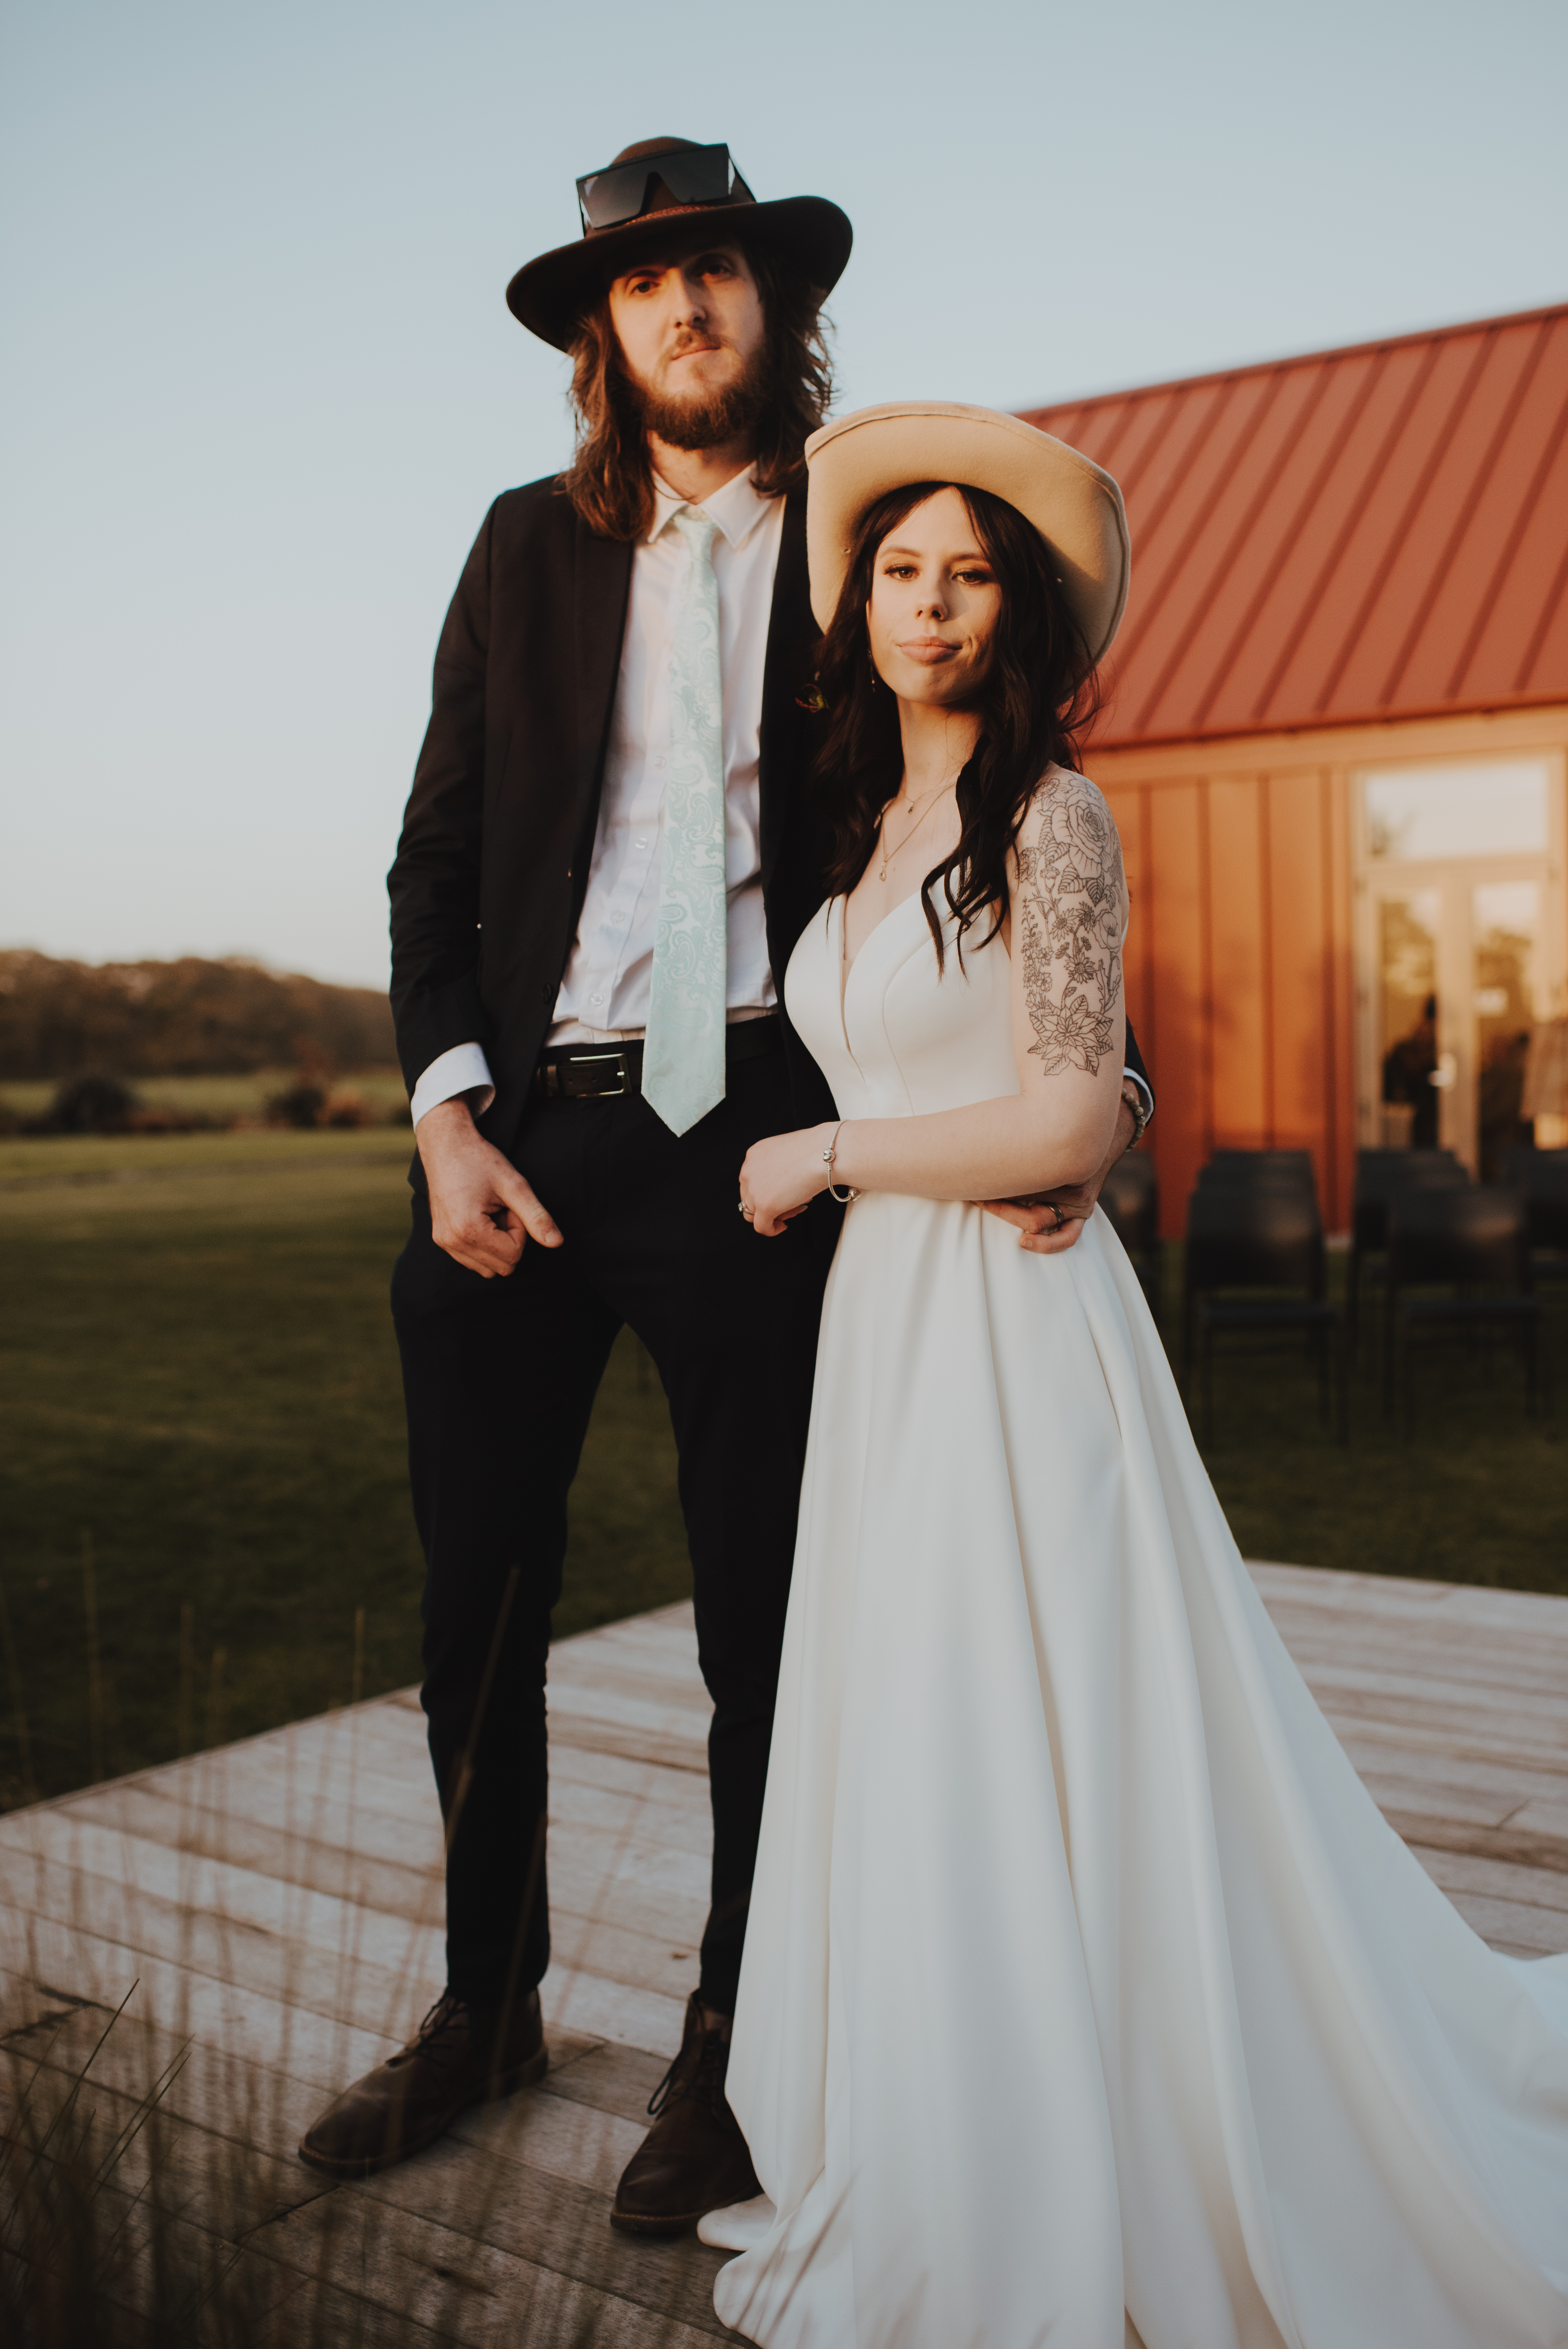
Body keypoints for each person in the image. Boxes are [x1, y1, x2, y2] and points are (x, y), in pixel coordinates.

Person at [296, 147, 1155, 2225]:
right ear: (602, 333)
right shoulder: (517, 552)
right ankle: (482, 2003)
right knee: (472, 1607)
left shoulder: (861, 544)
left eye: (713, 273)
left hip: (757, 1140)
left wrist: (1102, 1077)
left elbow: (1006, 789)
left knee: (769, 1628)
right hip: (524, 1131)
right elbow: (432, 858)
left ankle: (736, 2044)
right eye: (641, 283)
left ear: (773, 305)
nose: (681, 309)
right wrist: (439, 1118)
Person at [701, 403, 1568, 2348]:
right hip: (891, 1344)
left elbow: (1072, 1102)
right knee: (921, 1708)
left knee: (1063, 1713)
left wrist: (833, 1153)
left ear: (1017, 612)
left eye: (970, 573)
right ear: (858, 600)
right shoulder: (858, 824)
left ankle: (1099, 2141)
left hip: (1014, 1333)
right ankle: (938, 2125)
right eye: (901, 569)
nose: (929, 605)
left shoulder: (1049, 812)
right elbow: (1026, 1074)